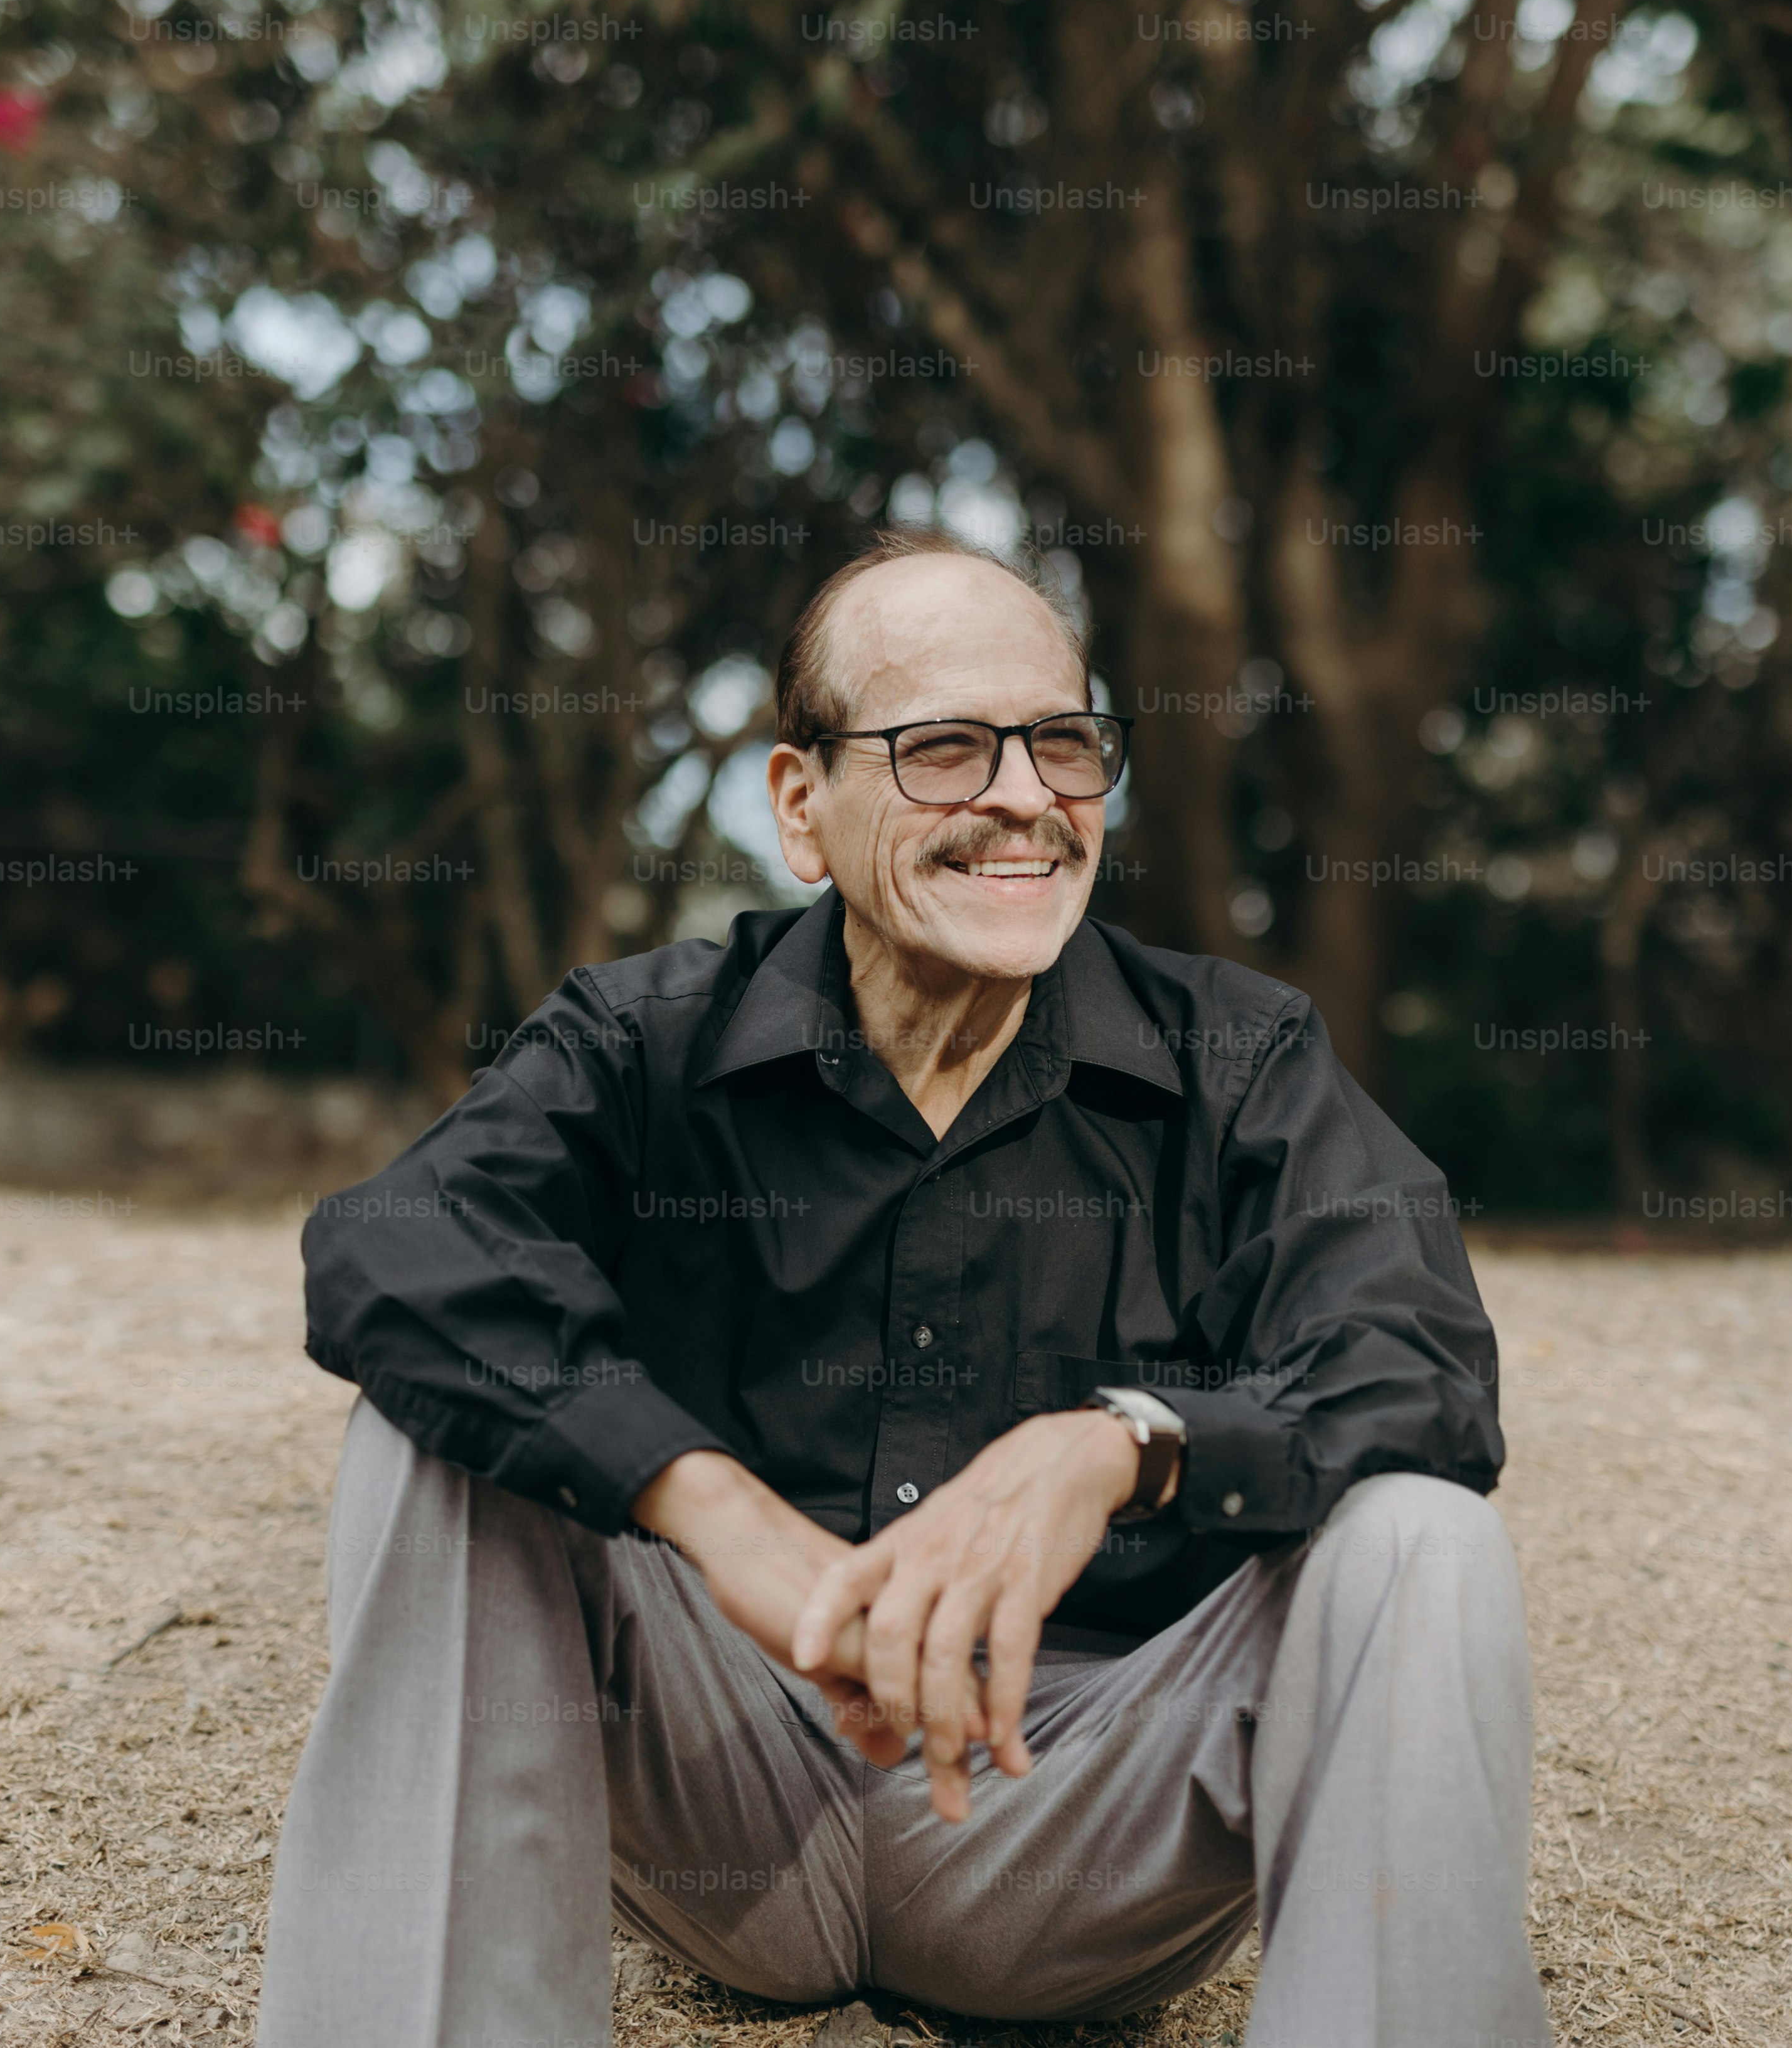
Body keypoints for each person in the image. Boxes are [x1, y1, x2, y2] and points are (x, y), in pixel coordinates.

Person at [259, 528, 1549, 2048]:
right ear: (803, 807)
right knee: (431, 1432)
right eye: (942, 748)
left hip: (1071, 1819)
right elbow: (394, 1241)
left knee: (1423, 1534)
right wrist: (716, 1510)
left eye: (1062, 741)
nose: (1024, 796)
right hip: (723, 1793)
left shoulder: (1240, 1059)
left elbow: (1418, 1366)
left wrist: (1123, 1443)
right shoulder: (644, 1041)